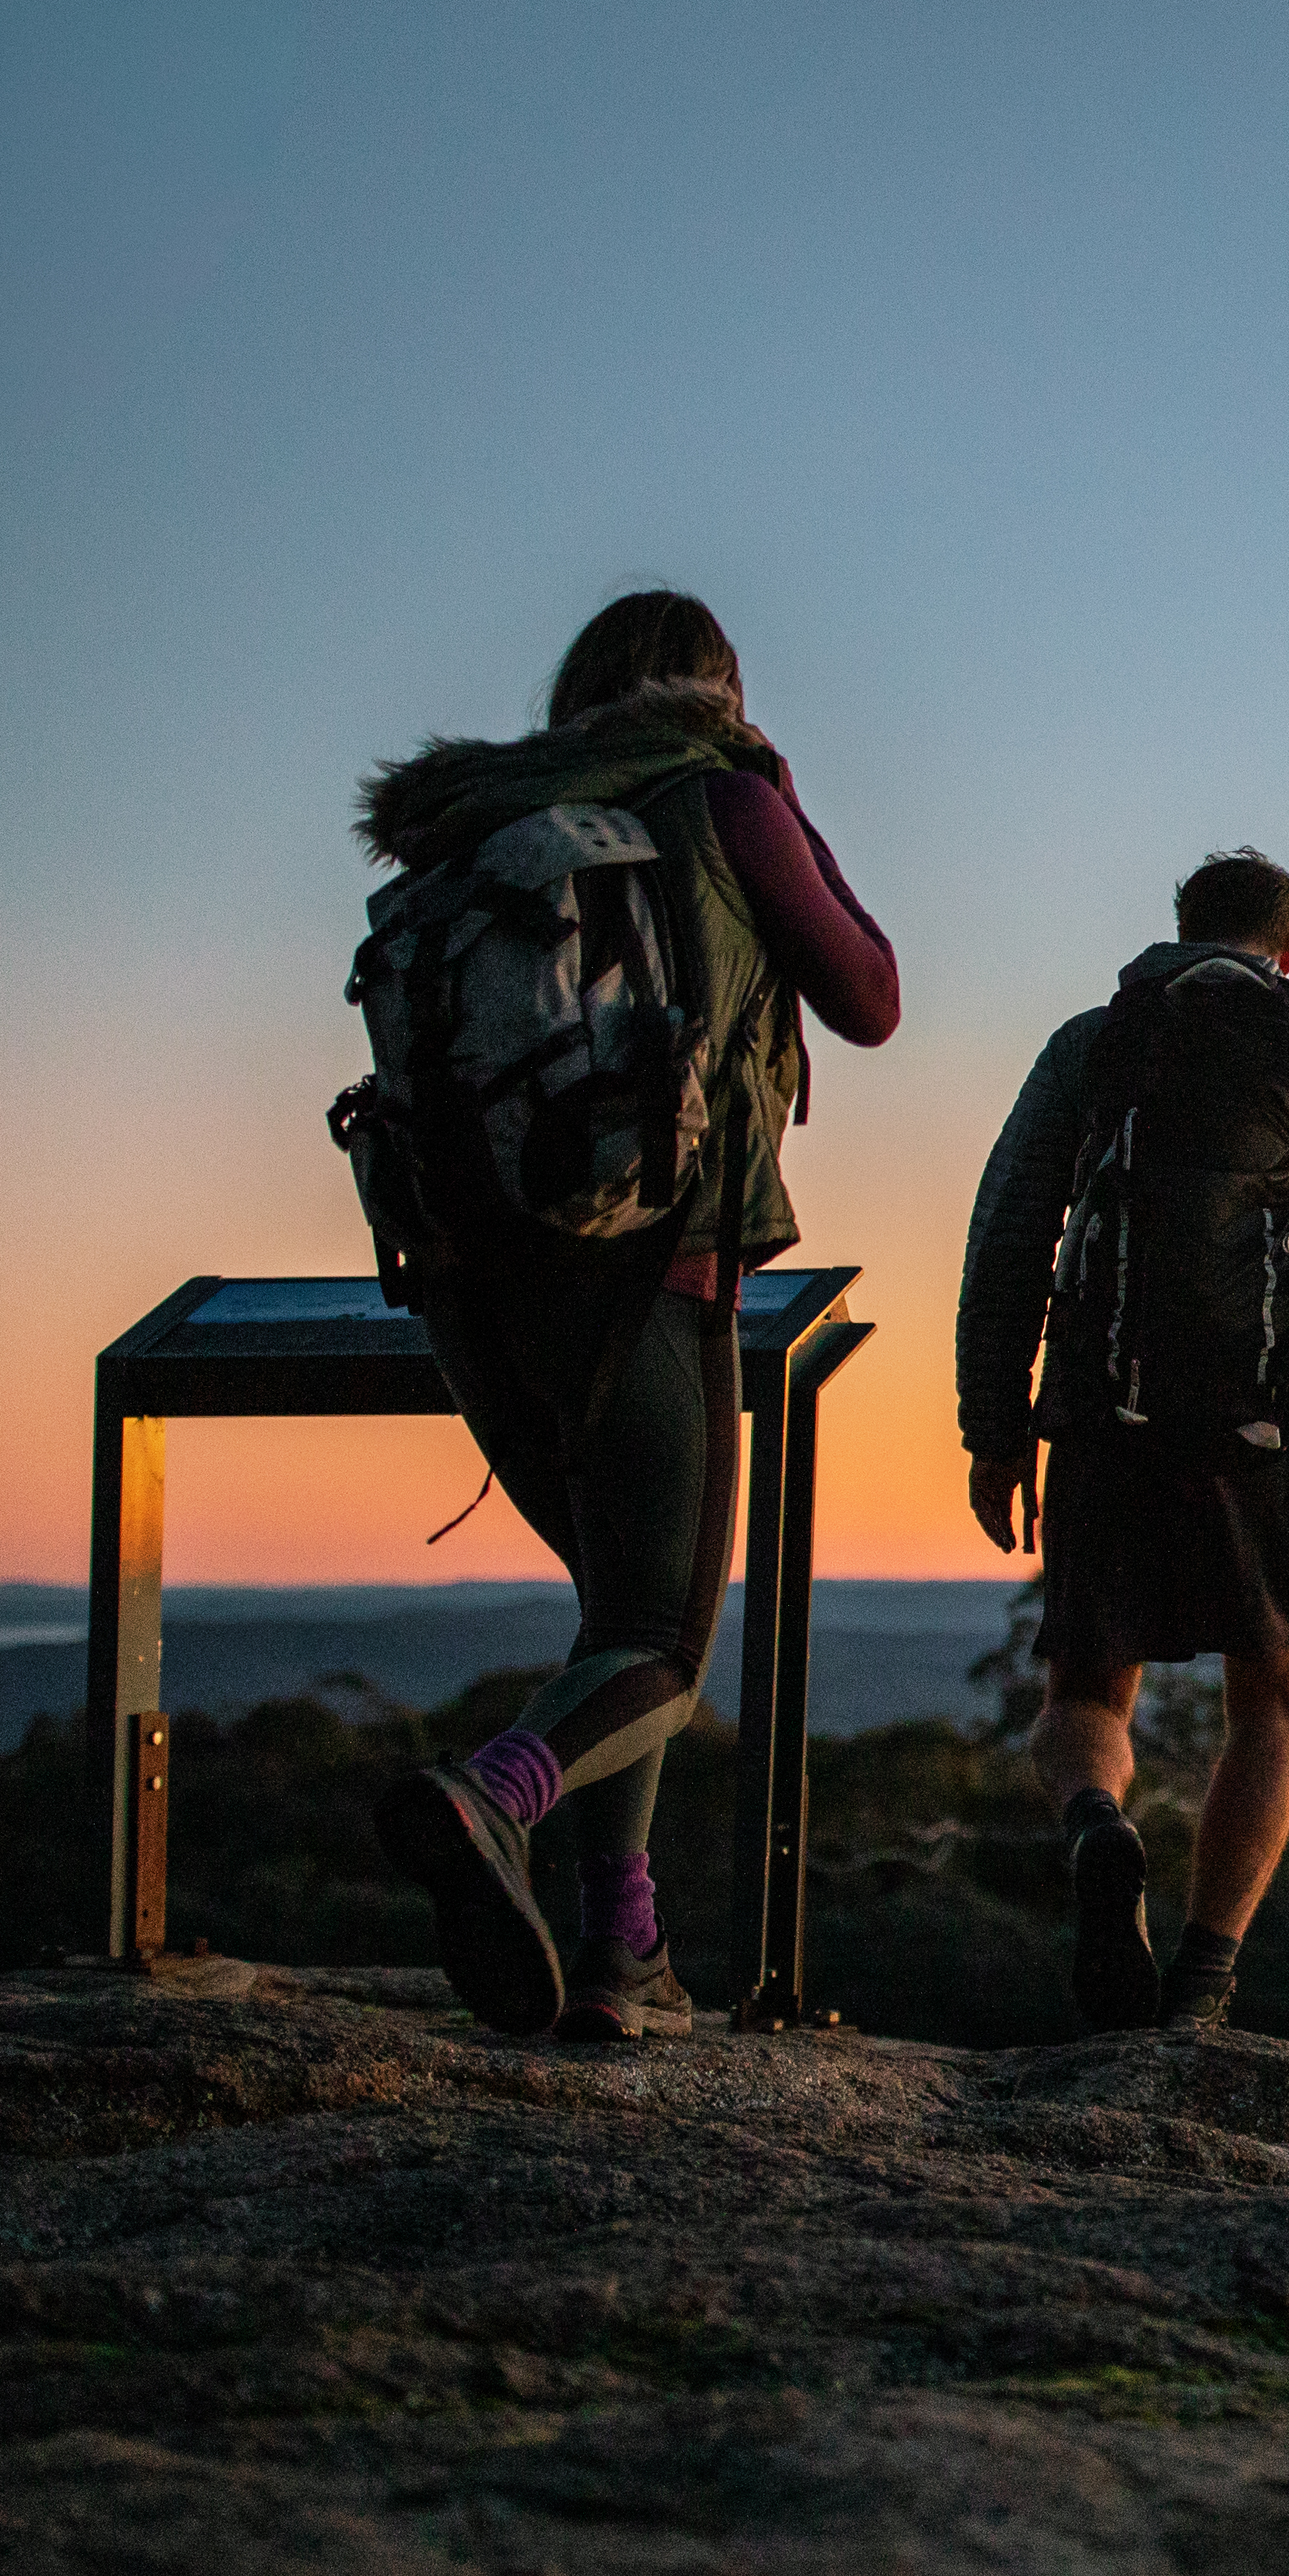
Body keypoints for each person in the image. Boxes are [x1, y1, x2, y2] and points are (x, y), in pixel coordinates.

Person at [355, 591, 901, 2041]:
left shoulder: (488, 825)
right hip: (654, 1273)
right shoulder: (721, 800)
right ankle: (496, 1796)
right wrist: (774, 789)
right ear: (716, 693)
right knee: (662, 1646)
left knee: (618, 1619)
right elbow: (869, 993)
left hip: (472, 1295)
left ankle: (620, 1952)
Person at [954, 849, 1289, 2031]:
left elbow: (1009, 1229)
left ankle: (1097, 1826)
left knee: (1085, 1685)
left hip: (1104, 1412)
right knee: (1268, 1704)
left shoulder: (1094, 1045)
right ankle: (1206, 1977)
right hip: (1271, 1431)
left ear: (1179, 928)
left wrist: (995, 1424)